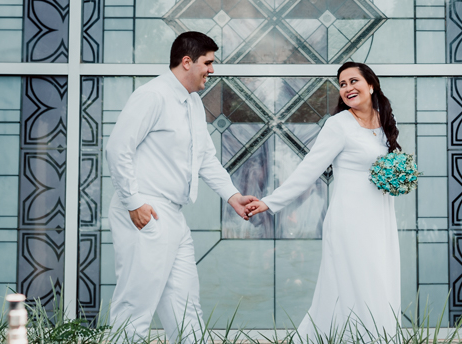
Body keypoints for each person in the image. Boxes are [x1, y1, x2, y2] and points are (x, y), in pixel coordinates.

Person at [104, 31, 257, 339]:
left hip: (173, 216)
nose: (212, 70)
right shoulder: (152, 95)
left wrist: (233, 196)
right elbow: (117, 148)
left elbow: (205, 158)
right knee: (135, 306)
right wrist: (134, 202)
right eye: (208, 62)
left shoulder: (193, 103)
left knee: (186, 307)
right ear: (187, 62)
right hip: (145, 210)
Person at [245, 62, 402, 340]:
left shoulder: (383, 119)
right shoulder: (338, 125)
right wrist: (270, 202)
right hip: (350, 221)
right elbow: (309, 169)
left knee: (380, 281)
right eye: (342, 84)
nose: (348, 88)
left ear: (371, 84)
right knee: (360, 285)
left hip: (380, 218)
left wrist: (401, 177)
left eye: (353, 81)